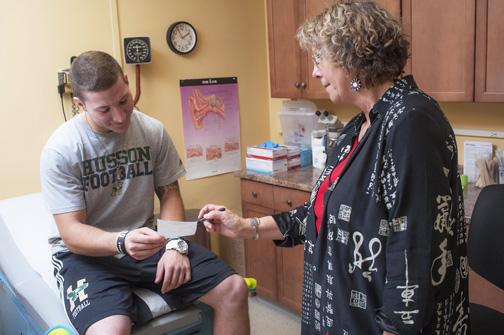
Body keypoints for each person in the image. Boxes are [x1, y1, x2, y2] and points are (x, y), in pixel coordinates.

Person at [199, 1, 470, 334]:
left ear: (351, 58)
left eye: (318, 59)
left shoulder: (411, 122)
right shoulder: (358, 127)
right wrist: (244, 226)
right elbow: (321, 215)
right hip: (339, 310)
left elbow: (415, 248)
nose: (314, 72)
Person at [40, 50, 249, 335]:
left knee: (233, 289)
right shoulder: (62, 150)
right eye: (104, 110)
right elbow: (72, 232)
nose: (119, 116)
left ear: (126, 82)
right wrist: (122, 241)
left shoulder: (153, 131)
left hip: (146, 241)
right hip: (87, 256)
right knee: (112, 330)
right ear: (80, 105)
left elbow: (170, 194)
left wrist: (175, 245)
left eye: (124, 100)